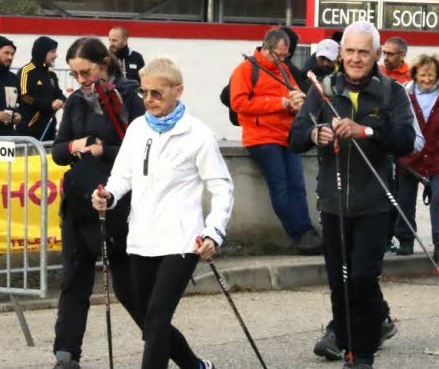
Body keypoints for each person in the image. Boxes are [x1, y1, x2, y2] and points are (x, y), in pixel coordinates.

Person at [51, 38, 201, 369]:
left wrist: (105, 150)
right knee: (73, 280)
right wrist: (78, 144)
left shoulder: (130, 99)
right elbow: (59, 151)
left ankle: (185, 359)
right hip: (79, 203)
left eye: (86, 72)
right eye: (75, 75)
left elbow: (142, 153)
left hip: (119, 208)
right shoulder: (76, 102)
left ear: (103, 64)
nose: (81, 81)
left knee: (133, 296)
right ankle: (66, 355)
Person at [290, 21, 420, 368]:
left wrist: (367, 131)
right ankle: (347, 342)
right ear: (341, 53)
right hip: (333, 203)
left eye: (364, 52)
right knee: (339, 282)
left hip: (375, 203)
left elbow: (406, 141)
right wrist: (316, 133)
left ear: (377, 54)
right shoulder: (323, 89)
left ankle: (361, 356)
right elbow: (296, 136)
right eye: (350, 51)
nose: (356, 58)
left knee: (362, 278)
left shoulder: (393, 92)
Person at [92, 56, 231, 369]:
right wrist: (109, 195)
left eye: (157, 93)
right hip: (142, 237)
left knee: (156, 319)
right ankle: (194, 365)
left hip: (182, 240)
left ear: (178, 91)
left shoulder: (198, 133)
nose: (149, 100)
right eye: (144, 93)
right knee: (149, 322)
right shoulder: (138, 128)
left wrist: (213, 231)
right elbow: (122, 175)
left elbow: (222, 187)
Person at [230, 28, 322, 254]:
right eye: (279, 55)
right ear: (266, 46)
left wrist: (299, 102)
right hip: (262, 137)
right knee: (281, 188)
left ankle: (307, 233)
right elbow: (239, 104)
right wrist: (279, 103)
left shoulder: (284, 71)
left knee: (297, 187)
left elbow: (295, 94)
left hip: (287, 135)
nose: (283, 60)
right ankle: (300, 233)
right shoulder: (245, 70)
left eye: (286, 56)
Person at [394, 53, 439, 264]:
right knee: (405, 200)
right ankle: (405, 241)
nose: (427, 80)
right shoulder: (404, 94)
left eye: (431, 76)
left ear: (438, 75)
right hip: (410, 157)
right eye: (423, 75)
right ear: (415, 74)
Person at [18, 36, 66, 142]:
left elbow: (59, 94)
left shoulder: (51, 74)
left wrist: (62, 101)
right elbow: (24, 97)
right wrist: (50, 104)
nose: (56, 55)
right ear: (43, 52)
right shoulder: (26, 71)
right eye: (53, 52)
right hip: (30, 130)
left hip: (49, 128)